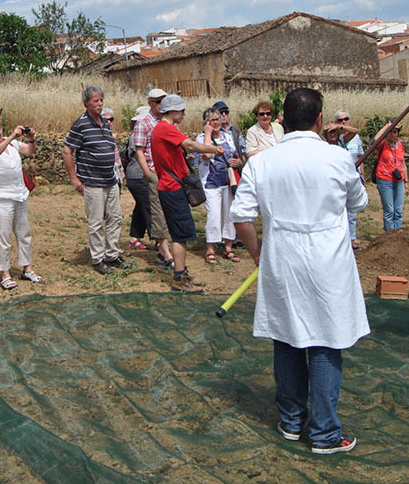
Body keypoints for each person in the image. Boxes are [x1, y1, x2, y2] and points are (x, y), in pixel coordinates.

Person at [231, 87, 368, 455]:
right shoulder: (337, 158)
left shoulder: (262, 162)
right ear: (320, 120)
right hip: (328, 265)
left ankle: (292, 421)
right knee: (326, 341)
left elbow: (241, 216)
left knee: (287, 338)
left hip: (282, 261)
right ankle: (324, 434)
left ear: (282, 120)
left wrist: (259, 254)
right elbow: (359, 202)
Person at [150, 94, 224, 292]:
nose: (183, 114)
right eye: (181, 110)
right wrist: (213, 149)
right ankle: (179, 278)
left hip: (171, 187)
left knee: (180, 234)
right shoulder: (166, 128)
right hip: (172, 189)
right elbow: (190, 144)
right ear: (172, 111)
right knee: (180, 235)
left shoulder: (163, 129)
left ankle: (181, 273)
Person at [64, 86, 123, 275]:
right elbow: (67, 151)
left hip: (110, 180)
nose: (100, 104)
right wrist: (74, 179)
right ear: (86, 103)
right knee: (96, 221)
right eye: (95, 101)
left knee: (115, 218)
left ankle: (112, 254)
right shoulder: (81, 124)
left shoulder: (104, 122)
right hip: (93, 182)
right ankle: (97, 258)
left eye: (101, 100)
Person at [0, 118, 42, 290]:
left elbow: (30, 151)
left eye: (0, 129)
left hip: (19, 195)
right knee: (4, 236)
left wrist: (31, 138)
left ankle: (27, 268)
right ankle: (5, 273)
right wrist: (10, 138)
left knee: (24, 234)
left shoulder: (12, 145)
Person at [132, 88, 175, 268]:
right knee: (157, 213)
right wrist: (148, 173)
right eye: (157, 101)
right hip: (155, 172)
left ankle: (161, 249)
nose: (160, 105)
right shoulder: (143, 123)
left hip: (169, 173)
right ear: (150, 103)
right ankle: (165, 251)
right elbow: (139, 151)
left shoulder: (169, 122)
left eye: (163, 101)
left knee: (169, 211)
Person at [196, 108, 240, 264]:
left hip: (227, 181)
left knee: (229, 214)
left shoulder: (227, 137)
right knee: (214, 215)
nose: (216, 122)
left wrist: (238, 162)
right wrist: (208, 133)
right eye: (212, 120)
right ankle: (210, 249)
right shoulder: (201, 138)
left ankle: (228, 246)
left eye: (217, 119)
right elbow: (206, 155)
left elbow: (235, 156)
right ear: (206, 123)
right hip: (211, 182)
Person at [333, 109, 364, 248]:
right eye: (340, 120)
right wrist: (338, 130)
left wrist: (362, 175)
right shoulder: (333, 136)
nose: (343, 122)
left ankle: (352, 238)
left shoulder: (354, 137)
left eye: (345, 119)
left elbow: (360, 156)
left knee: (352, 210)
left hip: (352, 176)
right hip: (337, 177)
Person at [124, 106, 153, 251]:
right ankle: (159, 241)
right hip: (139, 176)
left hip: (135, 176)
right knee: (149, 207)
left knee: (141, 207)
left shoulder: (136, 133)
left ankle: (135, 238)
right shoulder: (138, 134)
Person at [372, 121, 409, 231]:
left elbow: (403, 164)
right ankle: (389, 236)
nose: (392, 134)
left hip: (399, 180)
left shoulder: (400, 146)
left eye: (394, 132)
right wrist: (387, 126)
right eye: (390, 132)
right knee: (389, 210)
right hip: (384, 179)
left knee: (398, 210)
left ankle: (397, 235)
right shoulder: (382, 144)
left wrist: (406, 182)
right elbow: (376, 139)